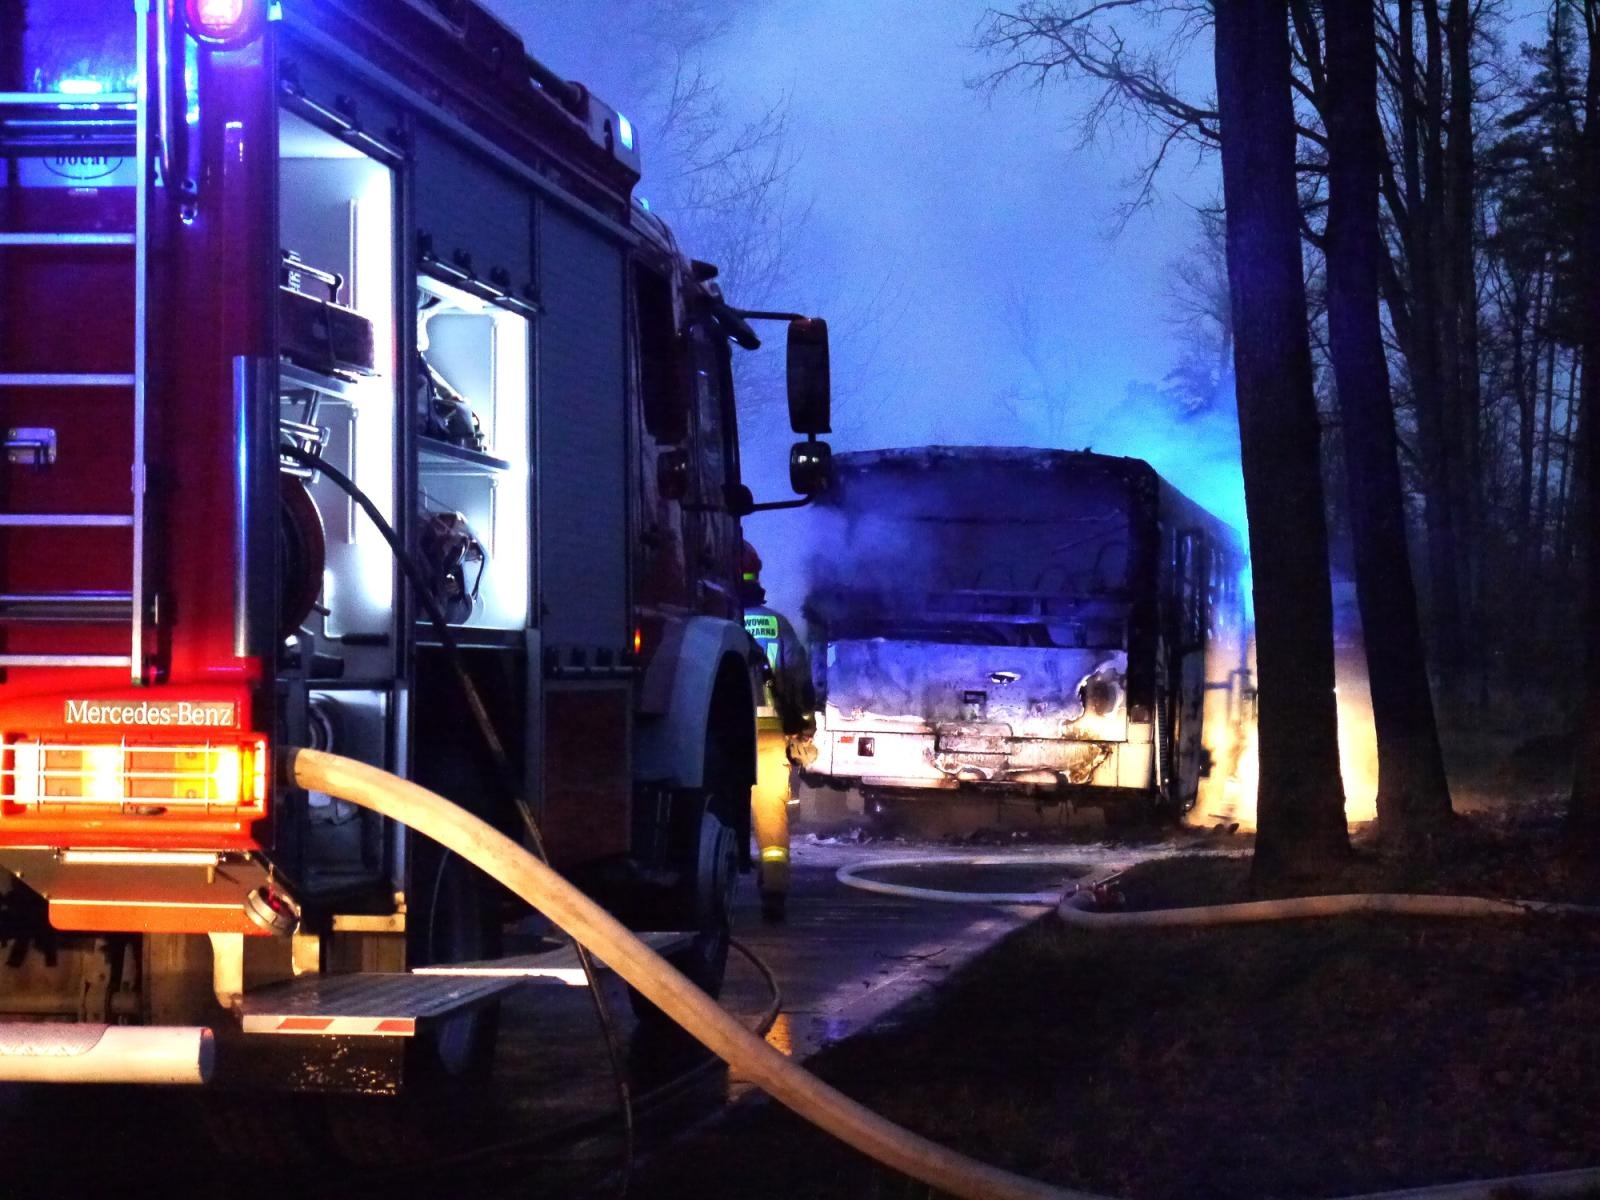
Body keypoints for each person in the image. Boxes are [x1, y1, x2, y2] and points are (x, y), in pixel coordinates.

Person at [740, 541, 816, 922]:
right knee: (771, 816)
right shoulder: (776, 624)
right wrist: (804, 730)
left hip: (720, 738)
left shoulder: (707, 620)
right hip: (769, 737)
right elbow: (800, 684)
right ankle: (774, 892)